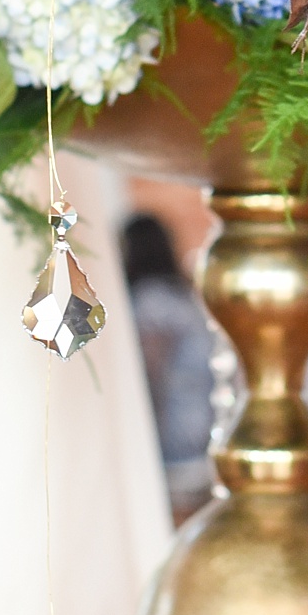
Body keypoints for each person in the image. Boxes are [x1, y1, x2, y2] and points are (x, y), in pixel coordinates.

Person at [120, 212, 214, 505]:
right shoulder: (181, 296)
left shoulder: (152, 301)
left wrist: (139, 441)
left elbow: (152, 375)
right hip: (200, 428)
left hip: (175, 438)